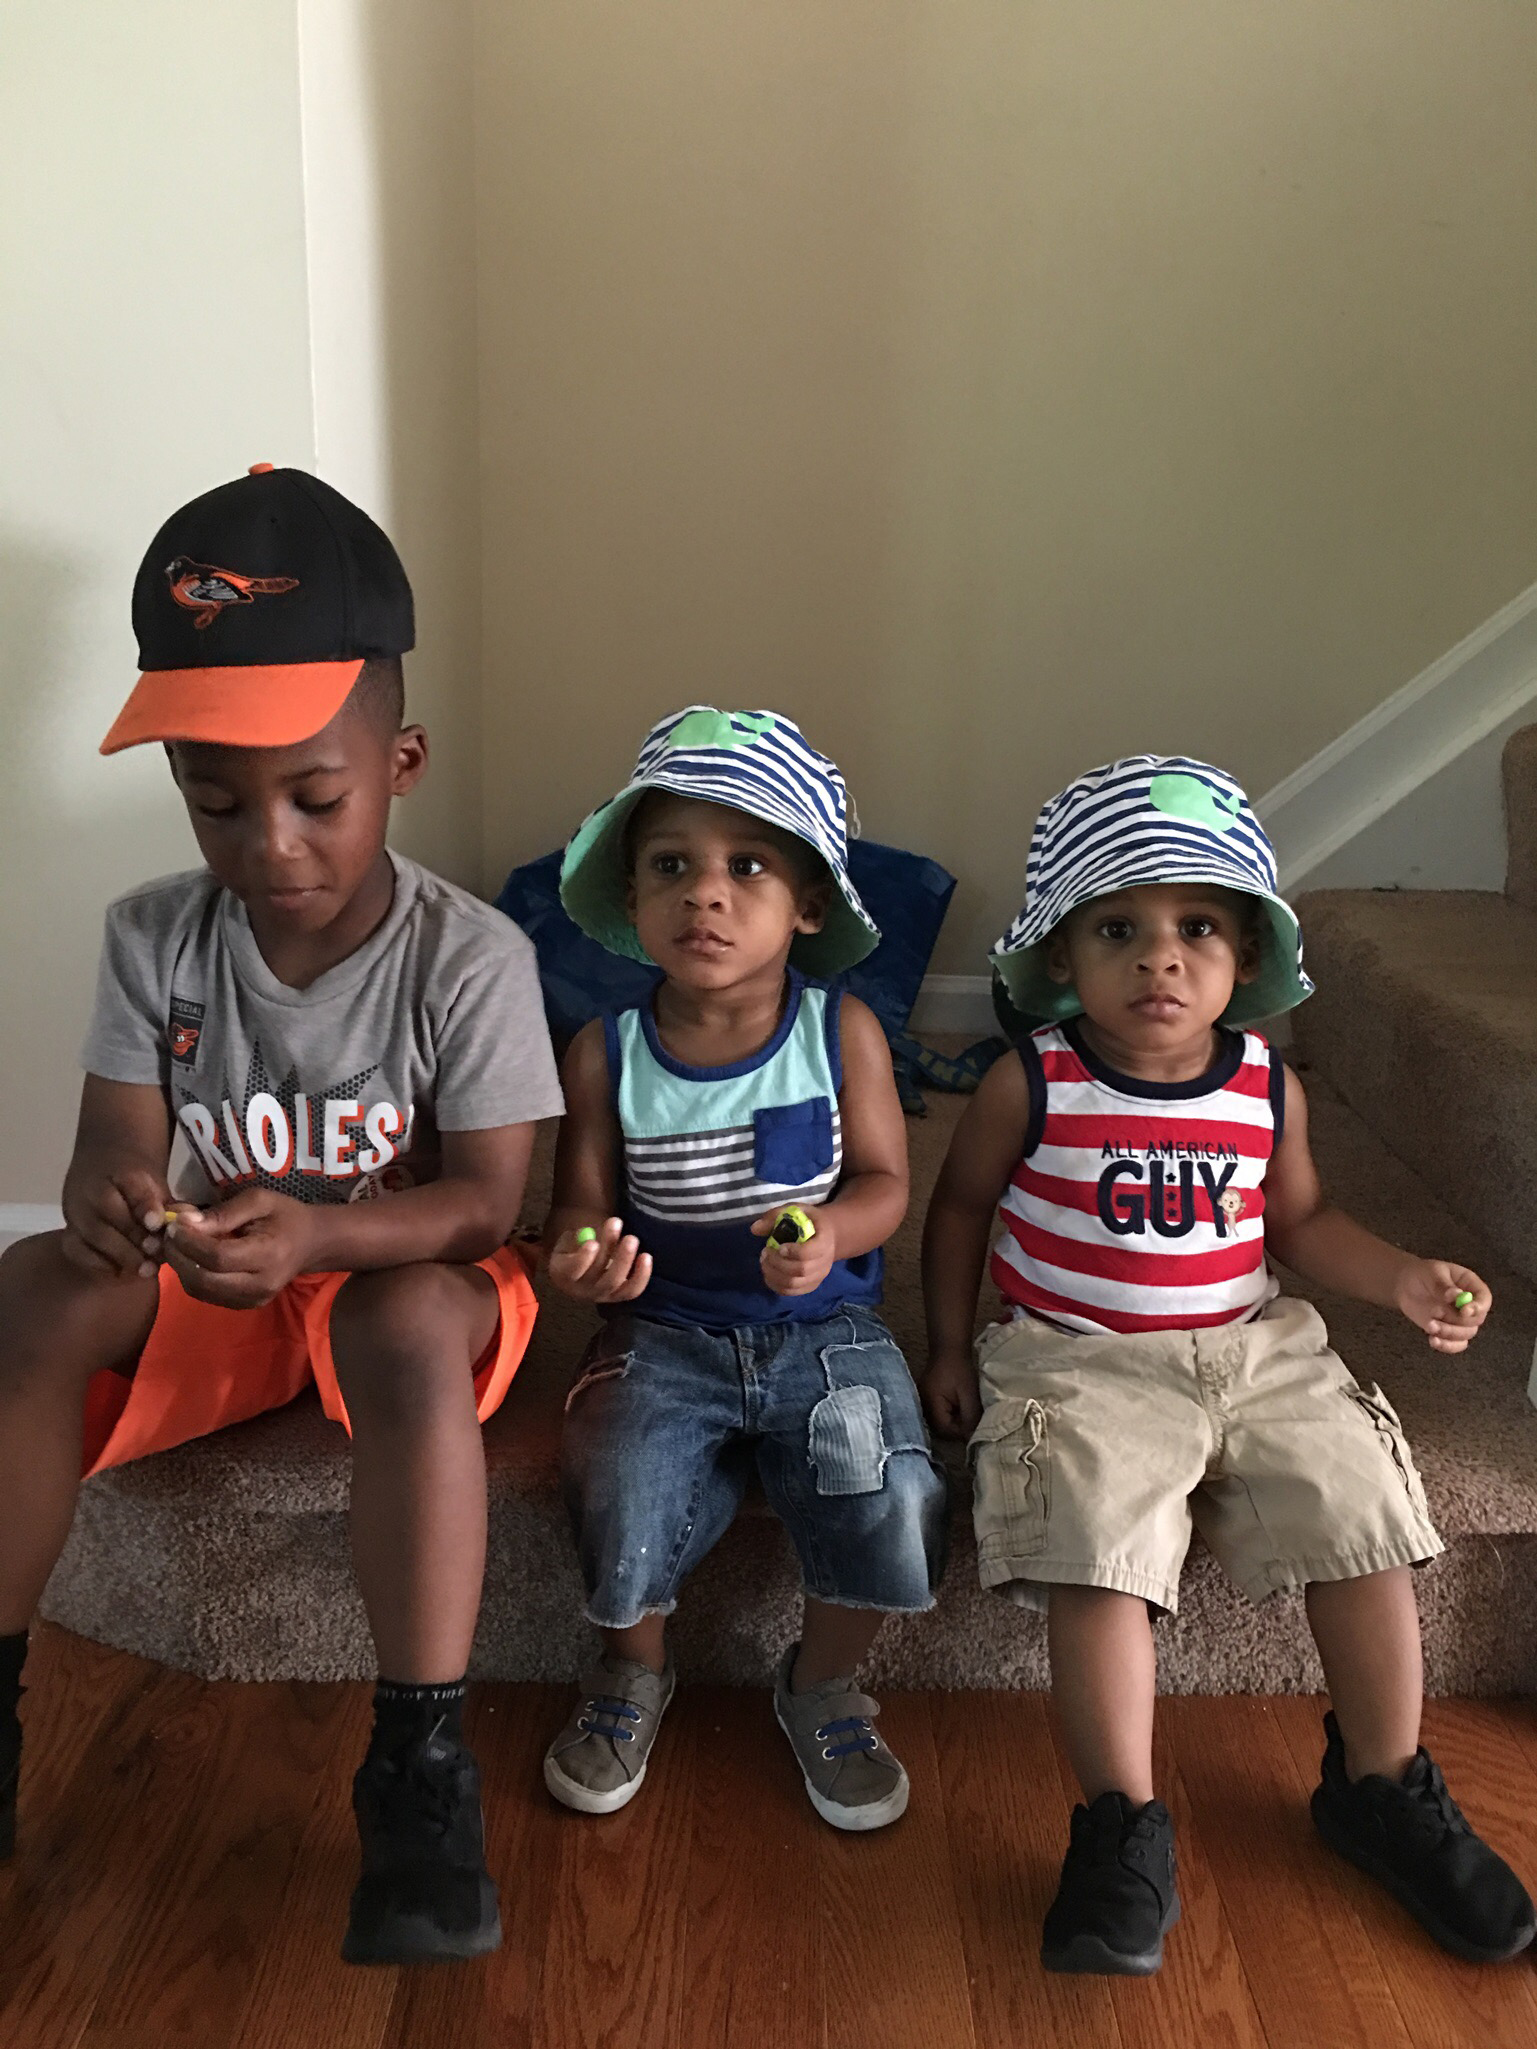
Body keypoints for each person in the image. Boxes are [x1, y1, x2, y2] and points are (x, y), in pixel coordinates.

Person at [0, 465, 564, 1966]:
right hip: (234, 1275)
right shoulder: (150, 936)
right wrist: (116, 1207)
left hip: (413, 1277)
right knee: (34, 1290)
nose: (269, 846)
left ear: (404, 760)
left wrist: (320, 1237)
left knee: (396, 1318)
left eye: (316, 797)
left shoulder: (473, 956)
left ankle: (420, 1765)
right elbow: (110, 1151)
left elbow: (491, 1202)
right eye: (215, 802)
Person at [920, 754, 1535, 1976]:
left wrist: (1402, 1275)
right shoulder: (1028, 1082)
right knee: (1094, 1540)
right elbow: (955, 1212)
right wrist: (944, 1344)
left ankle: (1381, 1783)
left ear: (1246, 956)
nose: (1161, 958)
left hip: (1253, 1350)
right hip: (1079, 1360)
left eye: (1197, 926)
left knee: (1361, 1507)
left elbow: (1298, 1227)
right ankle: (1118, 1826)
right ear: (1059, 959)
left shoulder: (1263, 1088)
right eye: (1118, 928)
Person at [540, 706, 947, 1828]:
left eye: (747, 867)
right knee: (613, 1459)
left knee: (889, 1480)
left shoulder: (840, 1032)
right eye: (670, 866)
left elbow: (883, 1185)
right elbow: (575, 1208)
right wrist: (583, 1265)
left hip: (825, 1327)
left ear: (806, 904)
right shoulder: (603, 1053)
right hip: (662, 1327)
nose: (704, 894)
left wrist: (831, 1235)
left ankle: (821, 1682)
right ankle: (631, 1670)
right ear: (631, 902)